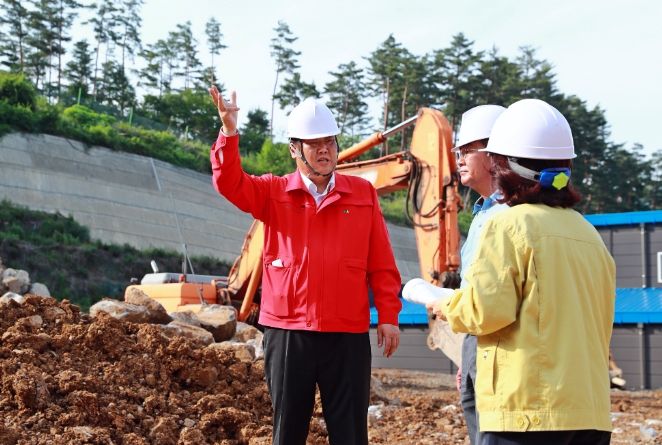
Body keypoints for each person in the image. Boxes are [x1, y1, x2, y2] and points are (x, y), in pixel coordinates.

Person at [208, 86, 402, 445]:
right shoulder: (273, 192)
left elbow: (381, 261)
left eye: (330, 142)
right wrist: (229, 132)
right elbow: (229, 183)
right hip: (289, 331)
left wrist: (389, 315)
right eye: (314, 144)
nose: (325, 150)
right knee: (288, 431)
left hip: (346, 334)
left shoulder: (362, 195)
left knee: (351, 433)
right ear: (295, 149)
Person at [429, 98, 615, 445]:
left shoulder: (508, 225)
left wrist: (442, 303)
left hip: (528, 413)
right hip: (589, 414)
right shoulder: (587, 233)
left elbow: (484, 311)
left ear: (502, 165)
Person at [452, 104, 507, 445]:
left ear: (492, 154)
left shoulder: (510, 214)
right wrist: (467, 355)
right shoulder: (481, 214)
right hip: (476, 337)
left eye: (466, 151)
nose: (459, 160)